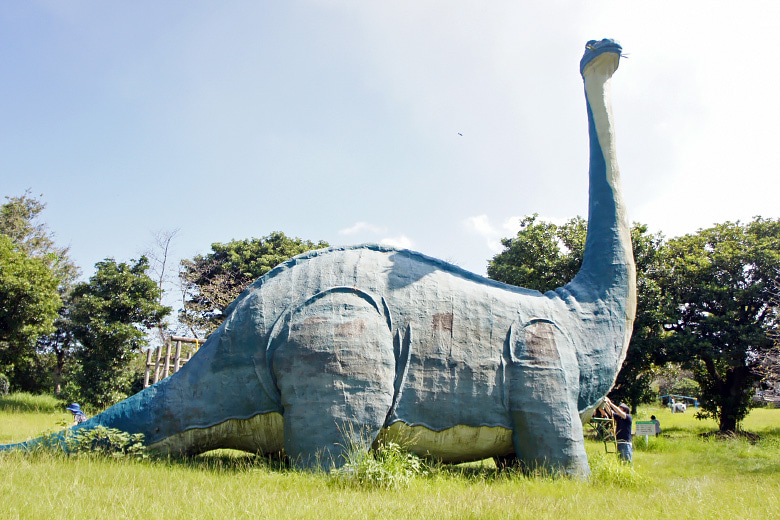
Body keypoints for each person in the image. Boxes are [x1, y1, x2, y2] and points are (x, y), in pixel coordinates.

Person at [604, 397, 632, 463]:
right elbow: (610, 412)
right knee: (620, 462)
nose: (618, 410)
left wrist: (610, 404)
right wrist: (605, 403)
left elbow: (618, 412)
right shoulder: (619, 417)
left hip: (625, 443)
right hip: (619, 443)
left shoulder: (628, 417)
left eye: (620, 408)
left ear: (625, 410)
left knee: (626, 462)